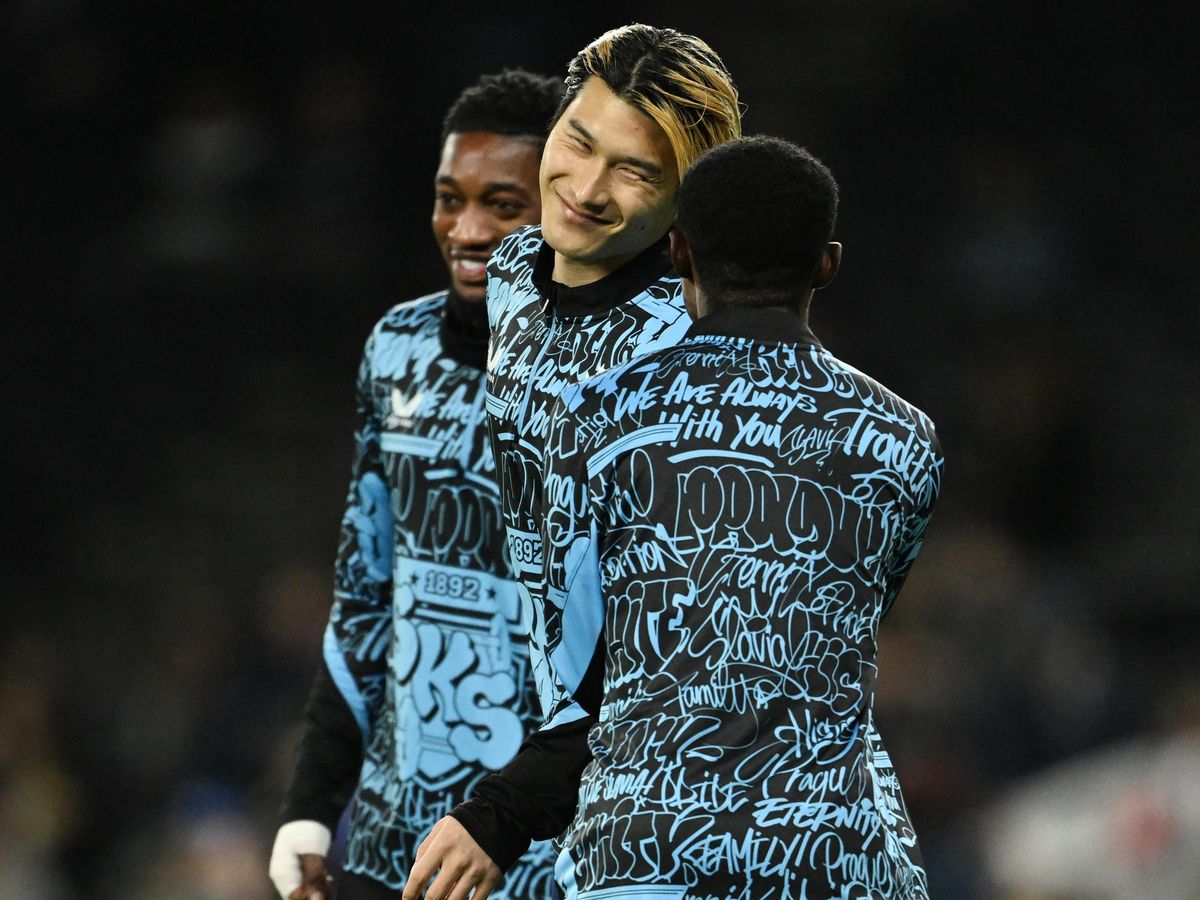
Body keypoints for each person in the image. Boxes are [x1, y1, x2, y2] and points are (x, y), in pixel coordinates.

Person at [531, 136, 941, 897]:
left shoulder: (592, 418)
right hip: (833, 857)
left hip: (640, 855)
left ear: (679, 252)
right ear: (827, 264)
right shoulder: (904, 438)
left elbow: (567, 660)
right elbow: (852, 611)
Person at [401, 23, 742, 900]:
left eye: (636, 172)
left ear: (688, 200)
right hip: (564, 769)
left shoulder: (694, 365)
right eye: (579, 143)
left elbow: (670, 649)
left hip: (678, 802)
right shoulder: (516, 269)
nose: (586, 189)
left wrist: (506, 810)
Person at [268, 69, 565, 900]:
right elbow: (364, 595)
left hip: (544, 862)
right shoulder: (395, 346)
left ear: (561, 207)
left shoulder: (614, 373)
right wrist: (309, 808)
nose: (466, 229)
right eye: (449, 198)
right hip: (393, 845)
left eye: (502, 204)